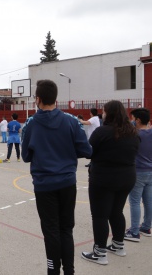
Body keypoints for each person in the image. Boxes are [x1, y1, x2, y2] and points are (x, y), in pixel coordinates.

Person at [22, 80, 92, 274]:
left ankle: (53, 270)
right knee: (66, 229)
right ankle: (69, 270)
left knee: (51, 231)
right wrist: (67, 152)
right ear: (55, 98)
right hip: (67, 182)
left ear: (38, 99)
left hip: (44, 184)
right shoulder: (71, 121)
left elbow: (26, 156)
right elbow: (86, 150)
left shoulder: (31, 124)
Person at [81, 100, 139, 265]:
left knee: (100, 215)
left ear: (109, 113)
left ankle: (99, 252)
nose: (102, 114)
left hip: (104, 178)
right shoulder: (133, 132)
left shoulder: (102, 132)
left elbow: (88, 152)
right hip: (127, 177)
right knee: (116, 211)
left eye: (104, 111)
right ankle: (118, 245)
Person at [124, 108, 152, 241]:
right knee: (148, 201)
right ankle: (146, 227)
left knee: (135, 201)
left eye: (133, 118)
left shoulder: (134, 134)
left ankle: (134, 231)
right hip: (150, 171)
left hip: (138, 171)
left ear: (138, 120)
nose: (132, 121)